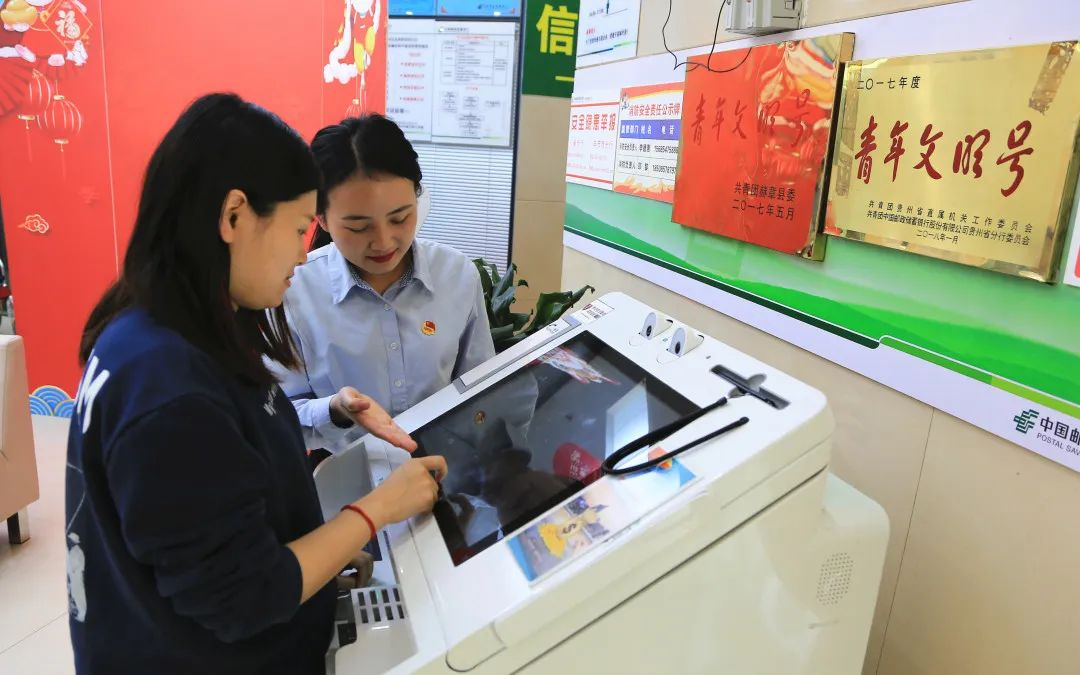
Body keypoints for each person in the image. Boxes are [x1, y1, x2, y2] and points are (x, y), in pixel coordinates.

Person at [64, 92, 446, 674]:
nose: (302, 255)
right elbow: (244, 597)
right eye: (298, 229)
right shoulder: (167, 387)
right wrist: (376, 511)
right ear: (235, 216)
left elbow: (223, 504)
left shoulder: (176, 331)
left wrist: (325, 553)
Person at [275, 114, 495, 456]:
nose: (384, 241)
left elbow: (483, 390)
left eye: (400, 217)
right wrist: (334, 411)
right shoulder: (292, 290)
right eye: (359, 227)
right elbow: (277, 416)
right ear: (321, 218)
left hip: (444, 471)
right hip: (346, 480)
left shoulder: (456, 275)